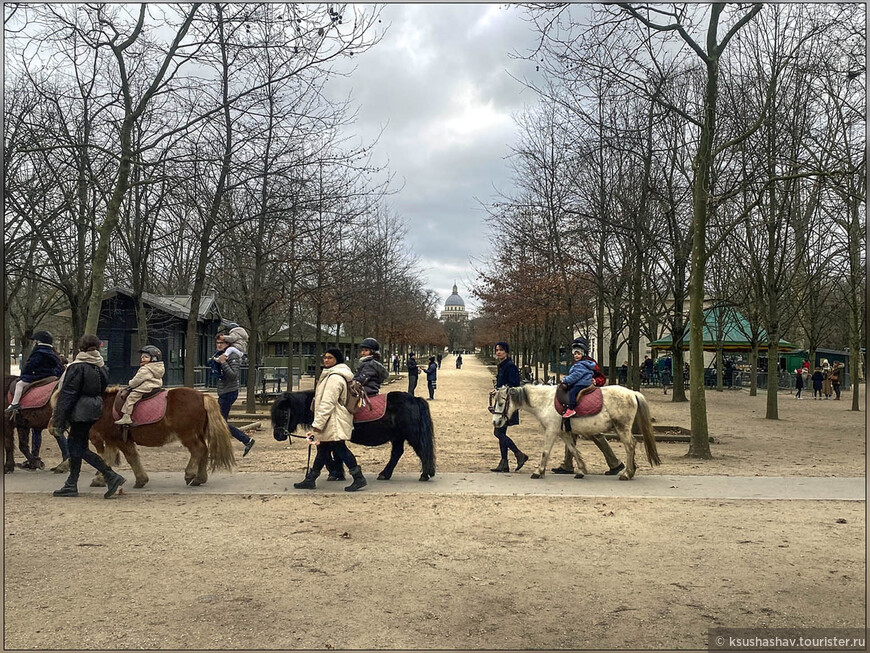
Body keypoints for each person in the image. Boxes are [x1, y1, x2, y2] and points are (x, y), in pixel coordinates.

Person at [50, 334, 126, 498]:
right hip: (94, 409)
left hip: (79, 411)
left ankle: (110, 475)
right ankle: (71, 484)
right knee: (77, 446)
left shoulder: (77, 367)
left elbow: (68, 394)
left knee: (77, 448)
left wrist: (58, 420)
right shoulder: (101, 367)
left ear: (80, 348)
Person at [293, 348, 367, 492]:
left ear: (337, 360)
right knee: (323, 450)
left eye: (330, 358)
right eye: (325, 357)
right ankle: (311, 479)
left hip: (333, 421)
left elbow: (327, 403)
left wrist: (318, 424)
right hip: (333, 419)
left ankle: (358, 477)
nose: (326, 360)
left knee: (340, 448)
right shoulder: (332, 375)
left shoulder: (334, 378)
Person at [210, 335, 255, 456]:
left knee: (220, 422)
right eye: (217, 343)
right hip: (224, 391)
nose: (219, 345)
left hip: (229, 392)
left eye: (222, 343)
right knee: (220, 422)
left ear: (228, 345)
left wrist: (223, 363)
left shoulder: (232, 356)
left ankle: (246, 440)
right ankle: (220, 448)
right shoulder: (220, 355)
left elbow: (234, 375)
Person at [489, 341, 528, 473]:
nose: (498, 352)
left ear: (506, 352)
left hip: (507, 404)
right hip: (502, 402)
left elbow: (514, 384)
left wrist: (499, 390)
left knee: (498, 432)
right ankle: (504, 462)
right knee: (501, 431)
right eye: (497, 350)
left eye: (501, 350)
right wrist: (496, 389)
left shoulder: (510, 366)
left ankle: (518, 454)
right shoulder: (502, 365)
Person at [6, 330, 64, 413]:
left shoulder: (38, 353)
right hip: (50, 376)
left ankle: (14, 404)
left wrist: (23, 375)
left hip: (37, 375)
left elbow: (30, 366)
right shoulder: (53, 353)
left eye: (35, 341)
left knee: (19, 384)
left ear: (38, 342)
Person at [114, 345, 165, 425]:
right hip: (156, 385)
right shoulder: (159, 368)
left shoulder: (145, 369)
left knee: (131, 398)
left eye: (146, 357)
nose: (142, 359)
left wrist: (130, 383)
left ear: (153, 359)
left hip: (146, 387)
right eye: (142, 357)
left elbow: (136, 381)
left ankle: (126, 416)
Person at [559, 337, 600, 419]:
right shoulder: (581, 363)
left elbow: (575, 376)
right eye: (575, 354)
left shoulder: (580, 365)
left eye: (578, 354)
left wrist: (565, 380)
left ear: (583, 354)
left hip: (581, 383)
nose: (576, 356)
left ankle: (571, 409)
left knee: (572, 392)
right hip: (582, 381)